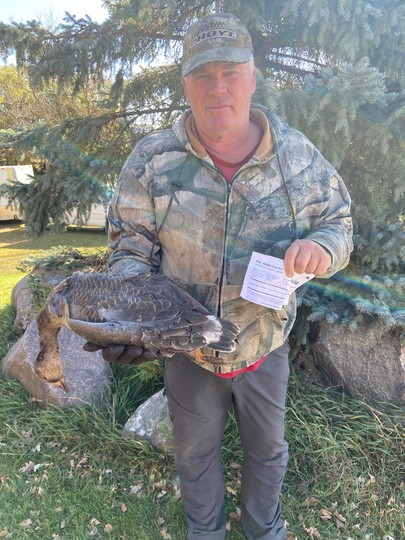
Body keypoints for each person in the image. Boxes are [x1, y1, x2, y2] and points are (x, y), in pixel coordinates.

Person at [89, 12, 353, 540]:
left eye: (231, 72)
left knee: (268, 449)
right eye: (203, 75)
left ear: (253, 77)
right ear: (185, 84)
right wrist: (131, 306)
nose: (218, 88)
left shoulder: (296, 158)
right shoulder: (152, 160)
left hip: (263, 341)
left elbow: (339, 222)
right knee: (193, 450)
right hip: (184, 346)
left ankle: (264, 530)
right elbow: (129, 243)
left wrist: (321, 249)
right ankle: (204, 532)